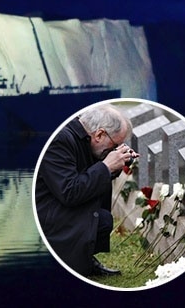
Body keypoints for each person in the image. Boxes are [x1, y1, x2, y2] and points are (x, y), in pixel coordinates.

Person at [35, 104, 138, 277]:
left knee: (102, 219)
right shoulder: (59, 139)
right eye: (115, 145)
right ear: (99, 134)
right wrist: (106, 166)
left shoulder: (83, 139)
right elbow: (69, 192)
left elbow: (89, 173)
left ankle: (84, 259)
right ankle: (68, 262)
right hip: (45, 216)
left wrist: (118, 162)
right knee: (100, 220)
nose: (114, 150)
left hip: (58, 207)